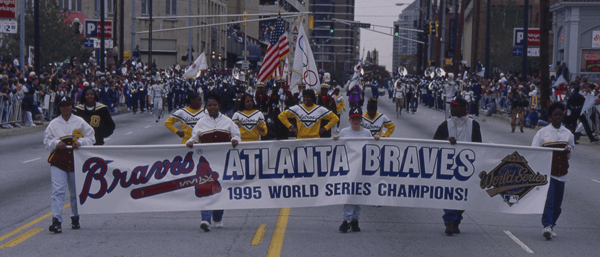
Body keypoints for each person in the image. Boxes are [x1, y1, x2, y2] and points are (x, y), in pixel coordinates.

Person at [186, 93, 241, 232]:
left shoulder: (228, 121)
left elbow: (236, 134)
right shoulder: (201, 122)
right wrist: (190, 142)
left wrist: (235, 140)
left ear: (219, 106)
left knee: (220, 190)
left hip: (223, 161)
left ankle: (218, 217)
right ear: (206, 106)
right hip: (206, 162)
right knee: (206, 189)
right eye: (209, 105)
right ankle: (205, 219)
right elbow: (194, 137)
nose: (212, 107)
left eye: (214, 105)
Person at [44, 96, 95, 233]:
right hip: (59, 161)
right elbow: (46, 142)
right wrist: (56, 143)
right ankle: (56, 220)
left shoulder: (79, 121)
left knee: (75, 191)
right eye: (62, 106)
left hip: (75, 160)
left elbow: (91, 137)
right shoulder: (54, 123)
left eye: (68, 105)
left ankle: (75, 217)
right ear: (59, 108)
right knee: (58, 191)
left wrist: (80, 142)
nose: (65, 108)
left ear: (72, 107)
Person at [433, 96, 482, 236]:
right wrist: (445, 140)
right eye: (451, 106)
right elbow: (434, 143)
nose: (451, 108)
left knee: (464, 196)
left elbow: (479, 146)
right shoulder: (445, 125)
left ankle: (456, 220)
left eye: (454, 106)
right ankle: (449, 221)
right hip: (448, 167)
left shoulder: (474, 125)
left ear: (463, 108)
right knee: (448, 194)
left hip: (467, 168)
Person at [531, 102, 575, 240]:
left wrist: (568, 151)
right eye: (555, 115)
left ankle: (552, 224)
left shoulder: (568, 134)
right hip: (547, 172)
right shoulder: (542, 133)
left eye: (560, 115)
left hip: (561, 174)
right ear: (550, 117)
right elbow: (534, 150)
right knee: (549, 200)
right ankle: (547, 225)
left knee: (557, 203)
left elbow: (570, 154)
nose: (558, 117)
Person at [333, 108, 380, 233]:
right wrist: (334, 141)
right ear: (349, 120)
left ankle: (355, 220)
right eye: (353, 118)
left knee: (359, 196)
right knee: (348, 195)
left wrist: (375, 139)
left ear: (361, 120)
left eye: (358, 118)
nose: (355, 121)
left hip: (362, 169)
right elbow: (338, 148)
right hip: (348, 168)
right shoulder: (344, 132)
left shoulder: (366, 133)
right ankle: (346, 220)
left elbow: (371, 148)